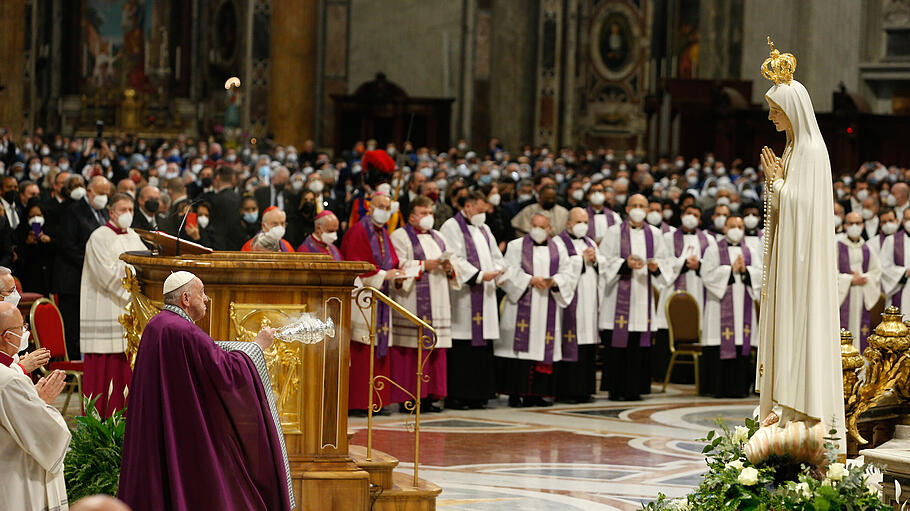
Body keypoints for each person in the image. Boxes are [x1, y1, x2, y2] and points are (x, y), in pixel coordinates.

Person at [119, 271, 294, 511]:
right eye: (202, 293)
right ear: (185, 298)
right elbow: (226, 371)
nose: (207, 298)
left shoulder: (156, 325)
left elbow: (205, 359)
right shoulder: (185, 332)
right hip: (187, 433)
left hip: (162, 426)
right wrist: (258, 346)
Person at [756, 40, 845, 453]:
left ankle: (800, 410)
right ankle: (782, 408)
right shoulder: (793, 148)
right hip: (788, 264)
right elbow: (787, 203)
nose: (771, 115)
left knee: (801, 331)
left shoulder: (810, 150)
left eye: (775, 110)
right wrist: (776, 185)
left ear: (792, 110)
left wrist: (776, 184)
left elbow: (805, 210)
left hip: (802, 267)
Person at [496, 213, 576, 407]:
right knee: (519, 351)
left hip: (547, 303)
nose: (538, 230)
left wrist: (554, 281)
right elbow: (507, 271)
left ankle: (538, 394)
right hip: (521, 304)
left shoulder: (559, 248)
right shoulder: (515, 246)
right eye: (535, 225)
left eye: (543, 227)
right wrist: (529, 280)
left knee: (542, 347)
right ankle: (515, 393)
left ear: (550, 229)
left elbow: (568, 274)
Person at [598, 194, 672, 401]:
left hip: (642, 297)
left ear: (647, 210)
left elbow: (666, 263)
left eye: (642, 205)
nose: (638, 209)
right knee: (618, 345)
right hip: (618, 297)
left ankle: (635, 389)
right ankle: (616, 389)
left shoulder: (655, 234)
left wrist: (656, 267)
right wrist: (624, 263)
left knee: (637, 346)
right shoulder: (613, 233)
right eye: (635, 205)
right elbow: (604, 262)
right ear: (628, 208)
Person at [80, 193, 147, 416]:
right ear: (111, 212)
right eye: (123, 209)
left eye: (131, 209)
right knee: (105, 371)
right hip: (105, 307)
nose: (128, 214)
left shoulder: (135, 236)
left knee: (126, 373)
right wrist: (133, 283)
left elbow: (143, 266)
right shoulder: (99, 237)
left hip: (130, 312)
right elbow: (105, 275)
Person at [389, 196, 458, 413]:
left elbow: (454, 268)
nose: (428, 217)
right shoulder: (399, 236)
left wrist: (448, 266)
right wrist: (423, 265)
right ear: (411, 216)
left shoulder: (438, 236)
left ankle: (431, 397)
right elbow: (397, 265)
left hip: (437, 298)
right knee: (411, 350)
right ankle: (408, 398)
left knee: (434, 349)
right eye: (423, 213)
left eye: (430, 213)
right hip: (411, 301)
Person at [0, 301, 70, 511]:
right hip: (18, 479)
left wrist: (34, 400)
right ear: (6, 336)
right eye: (20, 328)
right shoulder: (9, 381)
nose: (26, 333)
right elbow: (47, 435)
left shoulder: (10, 374)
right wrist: (42, 402)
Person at [439, 192, 504, 409]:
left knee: (482, 347)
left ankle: (479, 394)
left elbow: (496, 255)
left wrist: (498, 271)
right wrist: (477, 275)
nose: (483, 215)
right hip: (464, 296)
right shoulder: (451, 226)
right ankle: (458, 395)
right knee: (463, 347)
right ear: (468, 206)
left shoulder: (484, 229)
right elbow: (453, 257)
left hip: (485, 295)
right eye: (480, 210)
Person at [340, 192, 403, 414]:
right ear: (370, 207)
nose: (384, 211)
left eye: (388, 207)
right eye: (380, 206)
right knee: (362, 347)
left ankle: (377, 401)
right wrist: (385, 275)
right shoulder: (359, 230)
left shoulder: (383, 232)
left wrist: (397, 274)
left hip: (381, 297)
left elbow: (392, 260)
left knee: (378, 348)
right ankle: (359, 402)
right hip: (362, 296)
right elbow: (356, 263)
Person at [700, 216, 762, 398]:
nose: (737, 229)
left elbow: (760, 273)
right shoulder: (713, 249)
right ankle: (718, 388)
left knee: (740, 345)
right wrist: (730, 270)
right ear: (725, 228)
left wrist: (746, 271)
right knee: (721, 343)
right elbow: (707, 275)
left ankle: (739, 388)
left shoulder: (750, 250)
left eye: (740, 226)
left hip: (744, 303)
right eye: (733, 226)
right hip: (719, 305)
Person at [653, 204, 714, 381]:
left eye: (695, 215)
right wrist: (683, 262)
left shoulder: (708, 240)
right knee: (669, 327)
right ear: (681, 215)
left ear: (700, 220)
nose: (691, 217)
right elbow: (662, 262)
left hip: (698, 287)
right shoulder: (667, 237)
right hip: (672, 286)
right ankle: (667, 375)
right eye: (689, 213)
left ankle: (693, 377)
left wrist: (699, 264)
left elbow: (711, 266)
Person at [552, 208, 604, 403]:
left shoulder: (590, 242)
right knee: (571, 344)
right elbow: (561, 268)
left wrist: (596, 259)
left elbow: (604, 265)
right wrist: (581, 260)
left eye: (585, 221)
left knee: (588, 346)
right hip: (570, 302)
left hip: (589, 302)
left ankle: (585, 390)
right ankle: (568, 391)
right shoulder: (558, 243)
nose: (582, 225)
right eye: (578, 221)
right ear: (568, 223)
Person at [835, 212, 882, 351]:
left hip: (861, 295)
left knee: (862, 333)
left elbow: (876, 272)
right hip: (844, 296)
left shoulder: (867, 248)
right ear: (845, 225)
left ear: (862, 225)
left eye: (857, 223)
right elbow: (830, 273)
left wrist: (863, 277)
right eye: (850, 223)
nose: (854, 226)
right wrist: (850, 279)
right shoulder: (837, 247)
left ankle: (861, 370)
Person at [882, 208, 910, 309]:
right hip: (899, 290)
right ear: (903, 221)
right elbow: (884, 267)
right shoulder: (891, 240)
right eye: (907, 219)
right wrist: (905, 273)